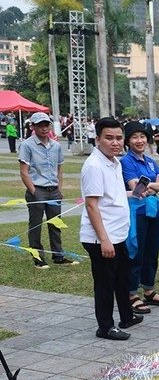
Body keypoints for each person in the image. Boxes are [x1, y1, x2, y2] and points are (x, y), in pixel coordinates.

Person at [80, 117, 142, 340]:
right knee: (105, 283)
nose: (115, 143)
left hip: (118, 234)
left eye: (118, 138)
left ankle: (127, 315)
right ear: (97, 139)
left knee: (122, 277)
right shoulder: (95, 166)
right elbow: (92, 205)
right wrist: (104, 240)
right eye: (109, 138)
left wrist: (133, 194)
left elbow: (112, 196)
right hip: (101, 237)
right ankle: (105, 326)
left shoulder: (114, 162)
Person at [119, 121, 159, 314]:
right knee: (136, 251)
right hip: (136, 212)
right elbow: (136, 188)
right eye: (134, 137)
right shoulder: (126, 162)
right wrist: (154, 186)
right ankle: (132, 293)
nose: (139, 140)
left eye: (142, 136)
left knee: (151, 251)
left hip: (153, 211)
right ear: (128, 140)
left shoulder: (150, 161)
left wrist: (152, 186)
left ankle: (149, 289)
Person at [19, 112, 76, 268]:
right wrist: (33, 191)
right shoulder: (27, 145)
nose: (44, 128)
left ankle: (58, 256)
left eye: (46, 125)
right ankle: (38, 258)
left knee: (55, 224)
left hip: (53, 190)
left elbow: (59, 169)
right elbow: (24, 171)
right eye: (40, 125)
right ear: (33, 127)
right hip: (37, 189)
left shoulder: (56, 145)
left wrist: (59, 189)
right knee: (36, 225)